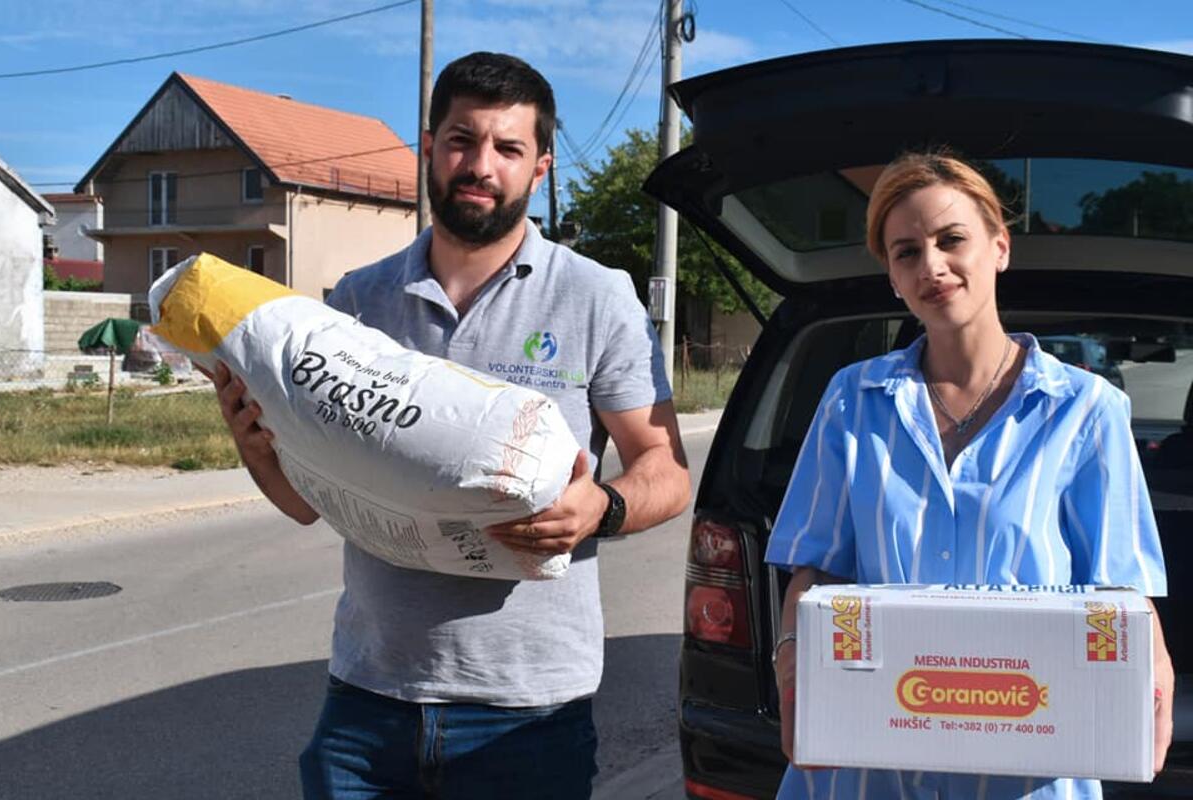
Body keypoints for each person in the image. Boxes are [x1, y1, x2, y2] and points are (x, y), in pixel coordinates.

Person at [210, 52, 690, 799]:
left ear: (541, 168)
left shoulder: (596, 297)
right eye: (462, 140)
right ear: (430, 146)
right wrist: (257, 449)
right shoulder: (357, 301)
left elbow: (665, 466)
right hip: (368, 702)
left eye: (508, 148)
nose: (481, 165)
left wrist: (603, 506)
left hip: (528, 713)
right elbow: (307, 502)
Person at [765, 151, 1173, 799]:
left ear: (999, 247)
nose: (931, 265)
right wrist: (791, 650)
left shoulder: (1086, 409)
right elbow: (815, 569)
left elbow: (1120, 592)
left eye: (951, 239)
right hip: (868, 769)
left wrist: (1152, 660)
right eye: (906, 252)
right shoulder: (852, 399)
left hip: (1030, 767)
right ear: (892, 276)